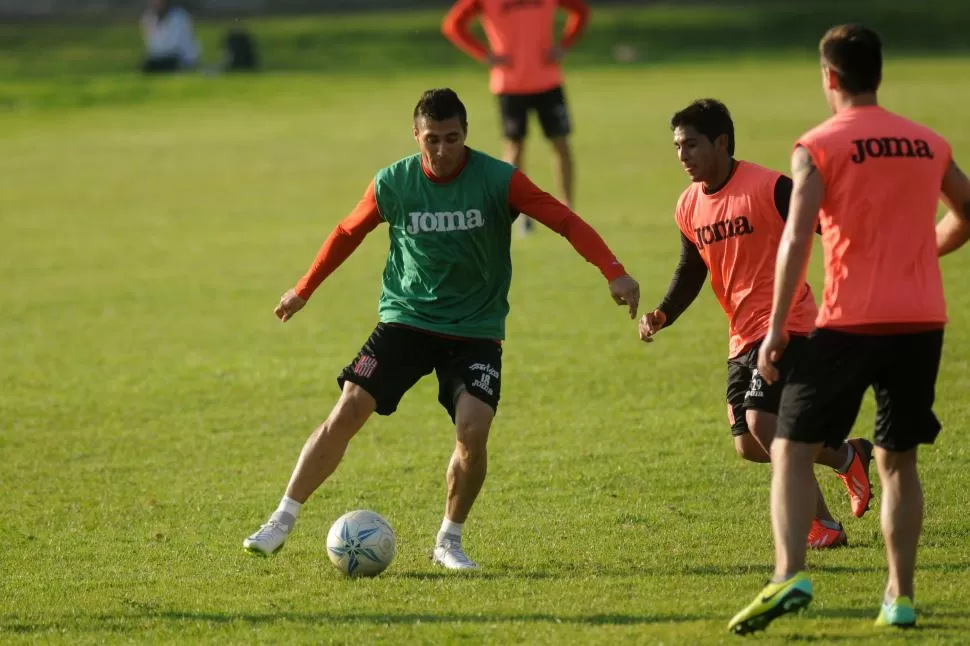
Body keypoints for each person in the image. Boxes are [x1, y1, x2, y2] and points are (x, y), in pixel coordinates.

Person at [243, 88, 640, 570]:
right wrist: (304, 289)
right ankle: (280, 521)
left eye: (452, 138)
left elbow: (564, 220)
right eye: (432, 139)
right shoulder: (394, 182)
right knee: (348, 407)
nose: (443, 149)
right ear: (416, 135)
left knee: (473, 430)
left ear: (466, 134)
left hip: (475, 328)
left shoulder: (499, 180)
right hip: (406, 319)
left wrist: (613, 271)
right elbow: (348, 232)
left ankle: (448, 541)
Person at [728, 24, 970, 634]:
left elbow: (797, 235)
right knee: (898, 461)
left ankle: (790, 576)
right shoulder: (927, 142)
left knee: (788, 447)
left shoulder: (819, 144)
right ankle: (900, 596)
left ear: (830, 78)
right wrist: (920, 255)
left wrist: (777, 327)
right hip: (921, 322)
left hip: (848, 322)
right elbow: (967, 212)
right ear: (878, 75)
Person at [640, 99, 873, 550]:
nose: (682, 156)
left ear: (721, 142)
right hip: (741, 334)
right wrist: (663, 313)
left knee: (763, 422)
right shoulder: (688, 206)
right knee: (748, 444)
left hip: (789, 323)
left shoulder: (769, 187)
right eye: (676, 147)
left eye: (691, 145)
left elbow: (829, 224)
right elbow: (692, 269)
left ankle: (822, 525)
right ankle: (847, 454)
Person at [441, 0, 589, 234]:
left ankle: (567, 211)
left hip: (548, 80)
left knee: (561, 144)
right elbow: (453, 25)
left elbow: (580, 11)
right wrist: (484, 54)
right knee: (515, 149)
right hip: (509, 84)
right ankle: (520, 214)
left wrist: (564, 44)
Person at [140, 0, 200, 74]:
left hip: (181, 58)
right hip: (161, 58)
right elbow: (151, 45)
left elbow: (174, 45)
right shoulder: (148, 18)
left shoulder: (179, 16)